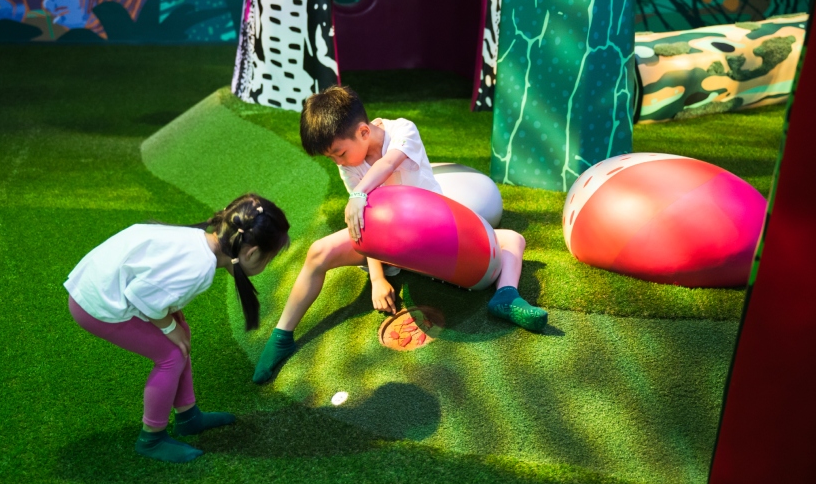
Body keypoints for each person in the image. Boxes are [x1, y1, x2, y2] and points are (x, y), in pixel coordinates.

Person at [252, 86, 547, 384]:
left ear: (364, 132)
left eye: (339, 153)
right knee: (318, 251)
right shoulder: (350, 165)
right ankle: (282, 336)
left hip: (435, 235)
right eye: (332, 158)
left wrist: (358, 193)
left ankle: (506, 295)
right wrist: (377, 278)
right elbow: (364, 225)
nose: (339, 162)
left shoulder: (403, 130)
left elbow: (388, 163)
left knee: (513, 239)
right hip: (390, 247)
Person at [65, 194, 290, 463]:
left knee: (180, 335)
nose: (265, 265)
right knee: (170, 354)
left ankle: (188, 415)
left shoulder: (197, 240)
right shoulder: (200, 267)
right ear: (251, 253)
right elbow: (142, 296)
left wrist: (172, 321)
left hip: (99, 286)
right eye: (267, 259)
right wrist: (168, 326)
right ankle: (152, 439)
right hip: (95, 303)